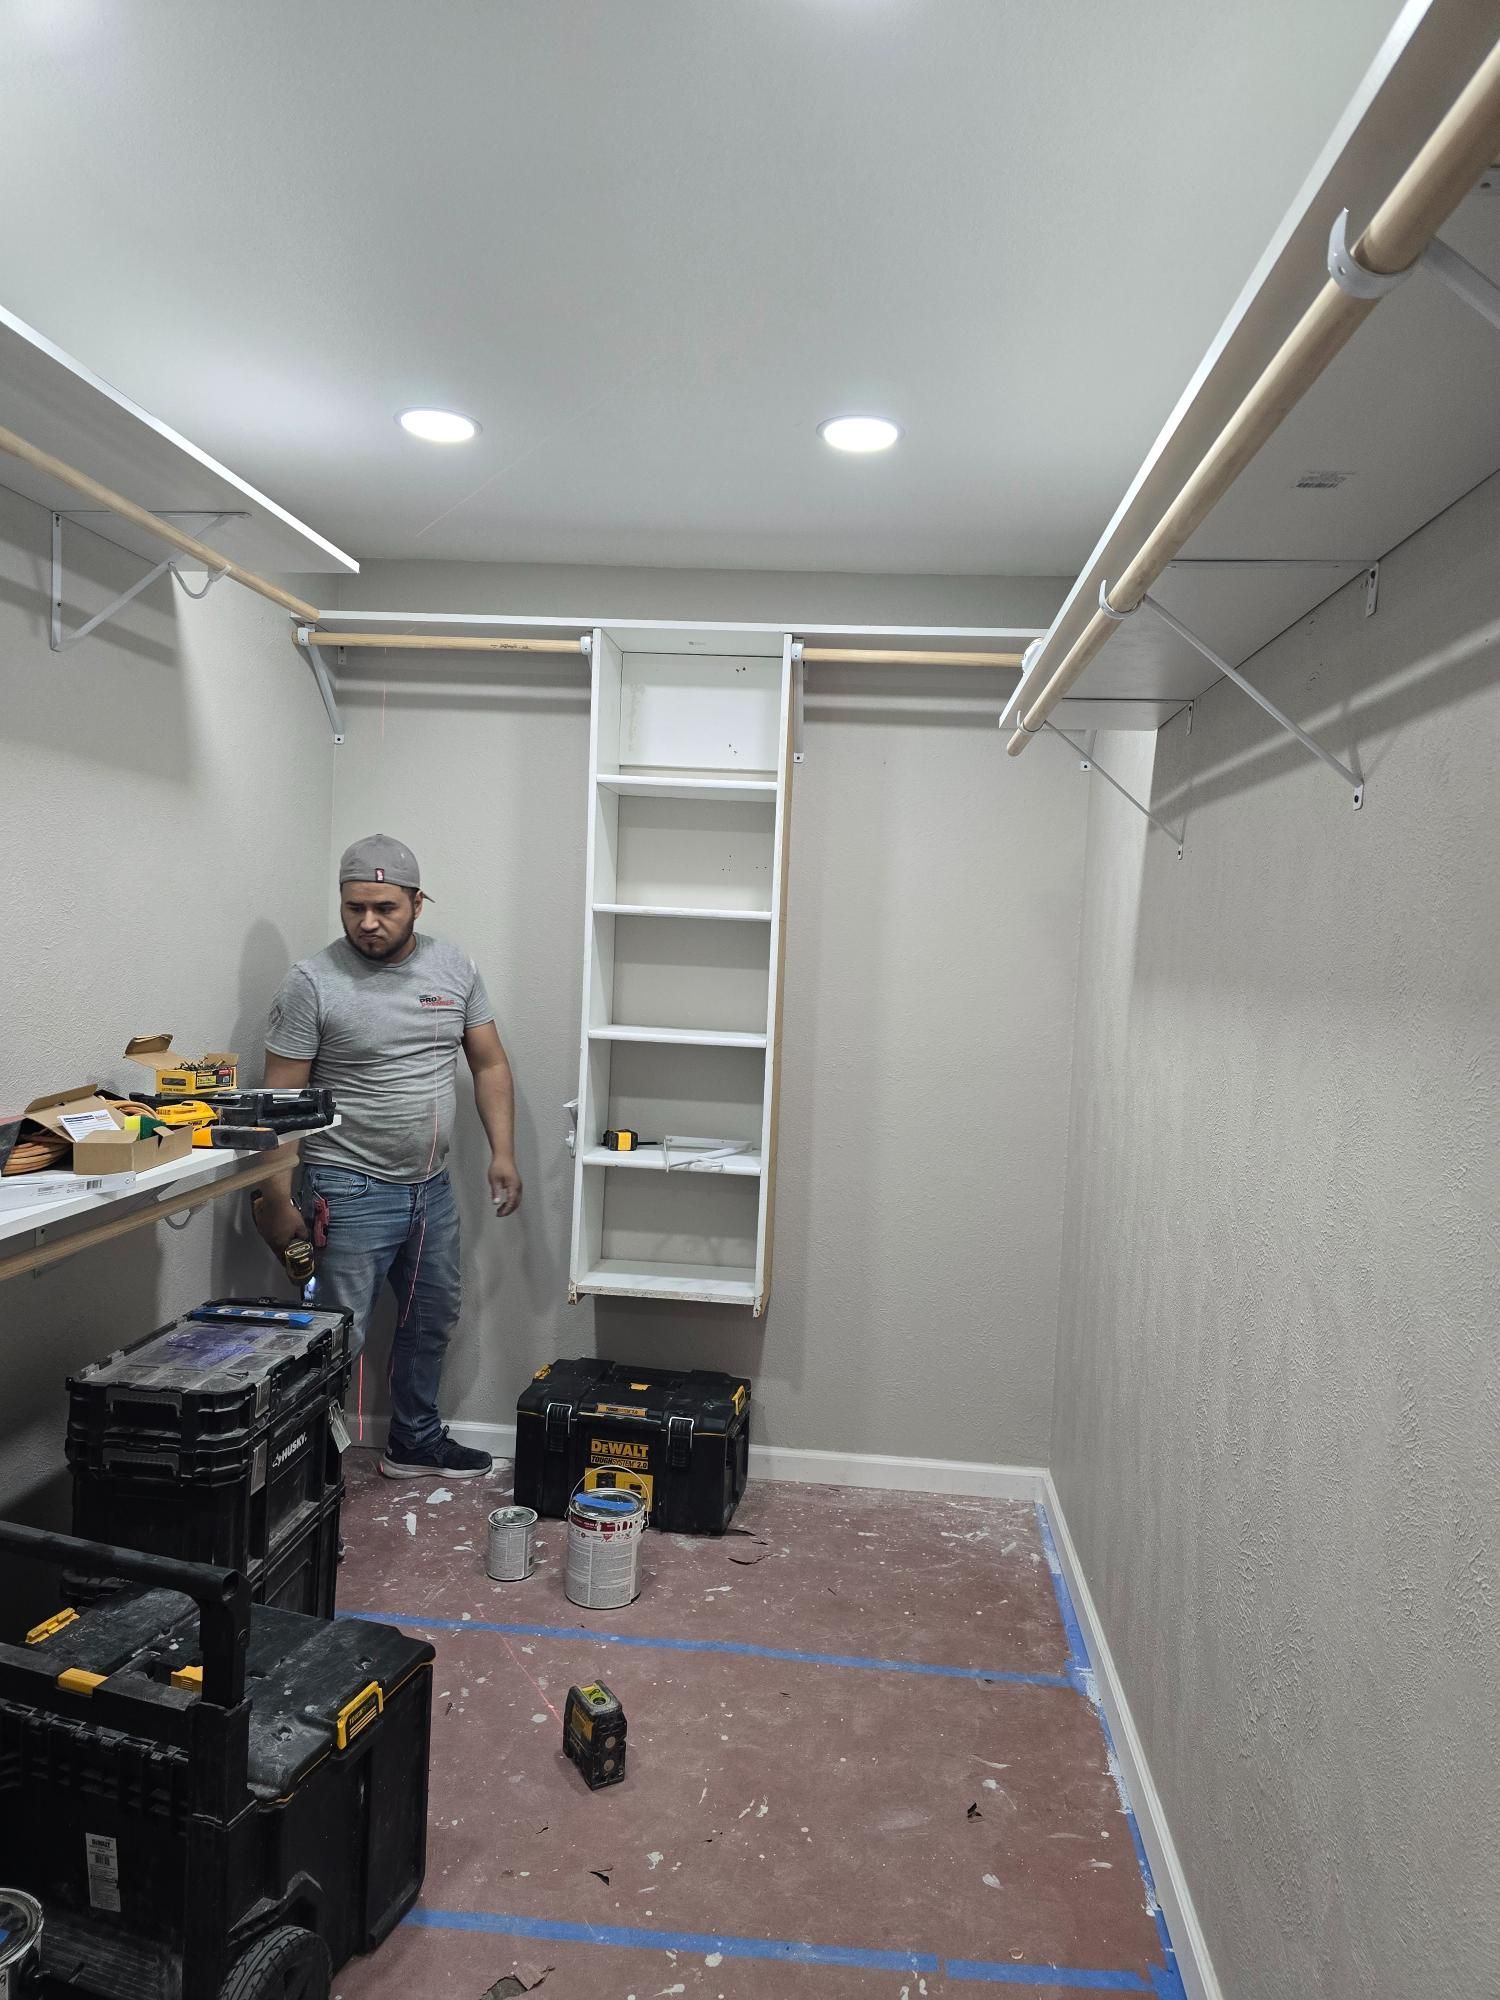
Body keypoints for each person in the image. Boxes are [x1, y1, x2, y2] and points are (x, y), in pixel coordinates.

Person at [253, 834, 521, 1480]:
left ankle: (415, 1438)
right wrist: (275, 1196)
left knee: (433, 1317)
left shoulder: (454, 968)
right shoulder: (312, 982)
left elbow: (488, 1063)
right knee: (334, 1335)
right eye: (354, 908)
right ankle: (309, 1468)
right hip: (347, 1185)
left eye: (384, 908)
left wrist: (502, 1153)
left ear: (417, 904)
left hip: (430, 1188)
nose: (367, 923)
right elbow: (279, 1099)